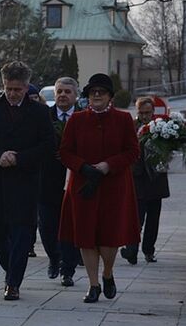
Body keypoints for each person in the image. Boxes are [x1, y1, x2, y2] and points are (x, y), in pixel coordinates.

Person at [0, 61, 54, 300]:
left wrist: (20, 158)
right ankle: (11, 270)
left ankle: (13, 282)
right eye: (9, 88)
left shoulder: (39, 112)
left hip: (25, 180)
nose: (12, 93)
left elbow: (48, 145)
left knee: (21, 232)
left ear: (26, 87)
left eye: (17, 89)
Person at [59, 73, 140, 303]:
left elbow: (133, 151)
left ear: (109, 96)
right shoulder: (76, 120)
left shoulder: (123, 120)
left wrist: (107, 165)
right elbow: (65, 152)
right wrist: (83, 167)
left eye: (101, 92)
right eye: (92, 92)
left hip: (114, 186)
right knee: (86, 236)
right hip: (84, 186)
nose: (96, 95)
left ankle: (108, 273)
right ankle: (93, 284)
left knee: (109, 237)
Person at [38, 77, 81, 286]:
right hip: (47, 181)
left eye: (67, 92)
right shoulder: (44, 116)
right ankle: (54, 257)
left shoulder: (83, 118)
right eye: (60, 92)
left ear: (75, 95)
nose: (63, 95)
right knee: (47, 227)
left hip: (75, 181)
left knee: (71, 226)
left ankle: (68, 269)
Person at [121, 97, 170, 265]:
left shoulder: (162, 127)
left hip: (156, 179)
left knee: (153, 219)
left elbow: (170, 147)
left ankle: (149, 251)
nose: (144, 116)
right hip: (137, 179)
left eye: (147, 112)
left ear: (153, 111)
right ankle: (131, 249)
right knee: (136, 217)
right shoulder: (130, 127)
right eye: (141, 113)